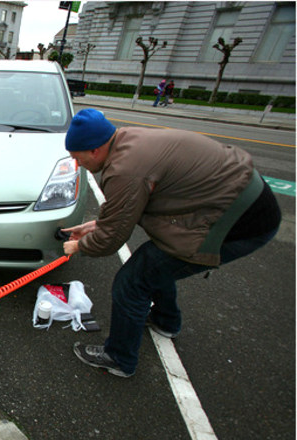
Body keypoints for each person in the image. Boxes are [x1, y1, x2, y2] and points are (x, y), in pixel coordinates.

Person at [61, 109, 281, 378]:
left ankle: (119, 358)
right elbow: (125, 211)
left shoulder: (124, 170)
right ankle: (166, 321)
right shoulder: (126, 141)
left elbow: (112, 239)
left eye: (77, 157)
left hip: (238, 222)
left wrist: (79, 246)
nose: (76, 163)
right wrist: (92, 227)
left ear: (94, 150)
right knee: (159, 261)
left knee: (132, 281)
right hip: (237, 198)